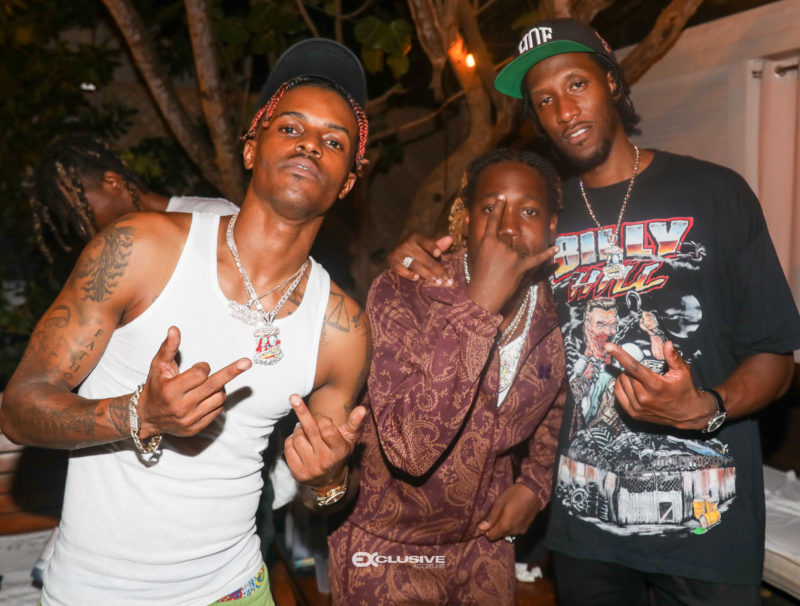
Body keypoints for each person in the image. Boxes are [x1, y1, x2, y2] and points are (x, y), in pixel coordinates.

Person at [387, 18, 800, 606]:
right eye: (544, 100)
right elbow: (468, 292)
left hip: (708, 528)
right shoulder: (540, 218)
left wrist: (703, 409)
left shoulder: (716, 192)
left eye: (577, 84)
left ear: (611, 81)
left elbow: (775, 357)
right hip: (586, 536)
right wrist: (409, 259)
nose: (564, 111)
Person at [2, 37, 371, 605]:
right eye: (290, 127)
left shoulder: (341, 328)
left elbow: (321, 494)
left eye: (334, 140)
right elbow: (19, 407)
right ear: (251, 148)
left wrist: (328, 480)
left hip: (236, 590)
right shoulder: (139, 249)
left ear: (347, 181)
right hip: (95, 593)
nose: (309, 145)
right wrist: (139, 414)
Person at [329, 148, 566, 605]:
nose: (508, 226)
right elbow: (410, 449)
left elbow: (558, 403)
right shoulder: (404, 292)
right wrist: (480, 306)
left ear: (552, 226)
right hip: (386, 550)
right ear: (466, 220)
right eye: (491, 208)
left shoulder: (558, 310)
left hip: (484, 549)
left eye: (529, 211)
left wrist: (535, 485)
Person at [31, 132, 238, 262]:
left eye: (81, 211)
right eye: (74, 220)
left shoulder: (213, 216)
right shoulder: (116, 260)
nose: (83, 228)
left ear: (113, 183)